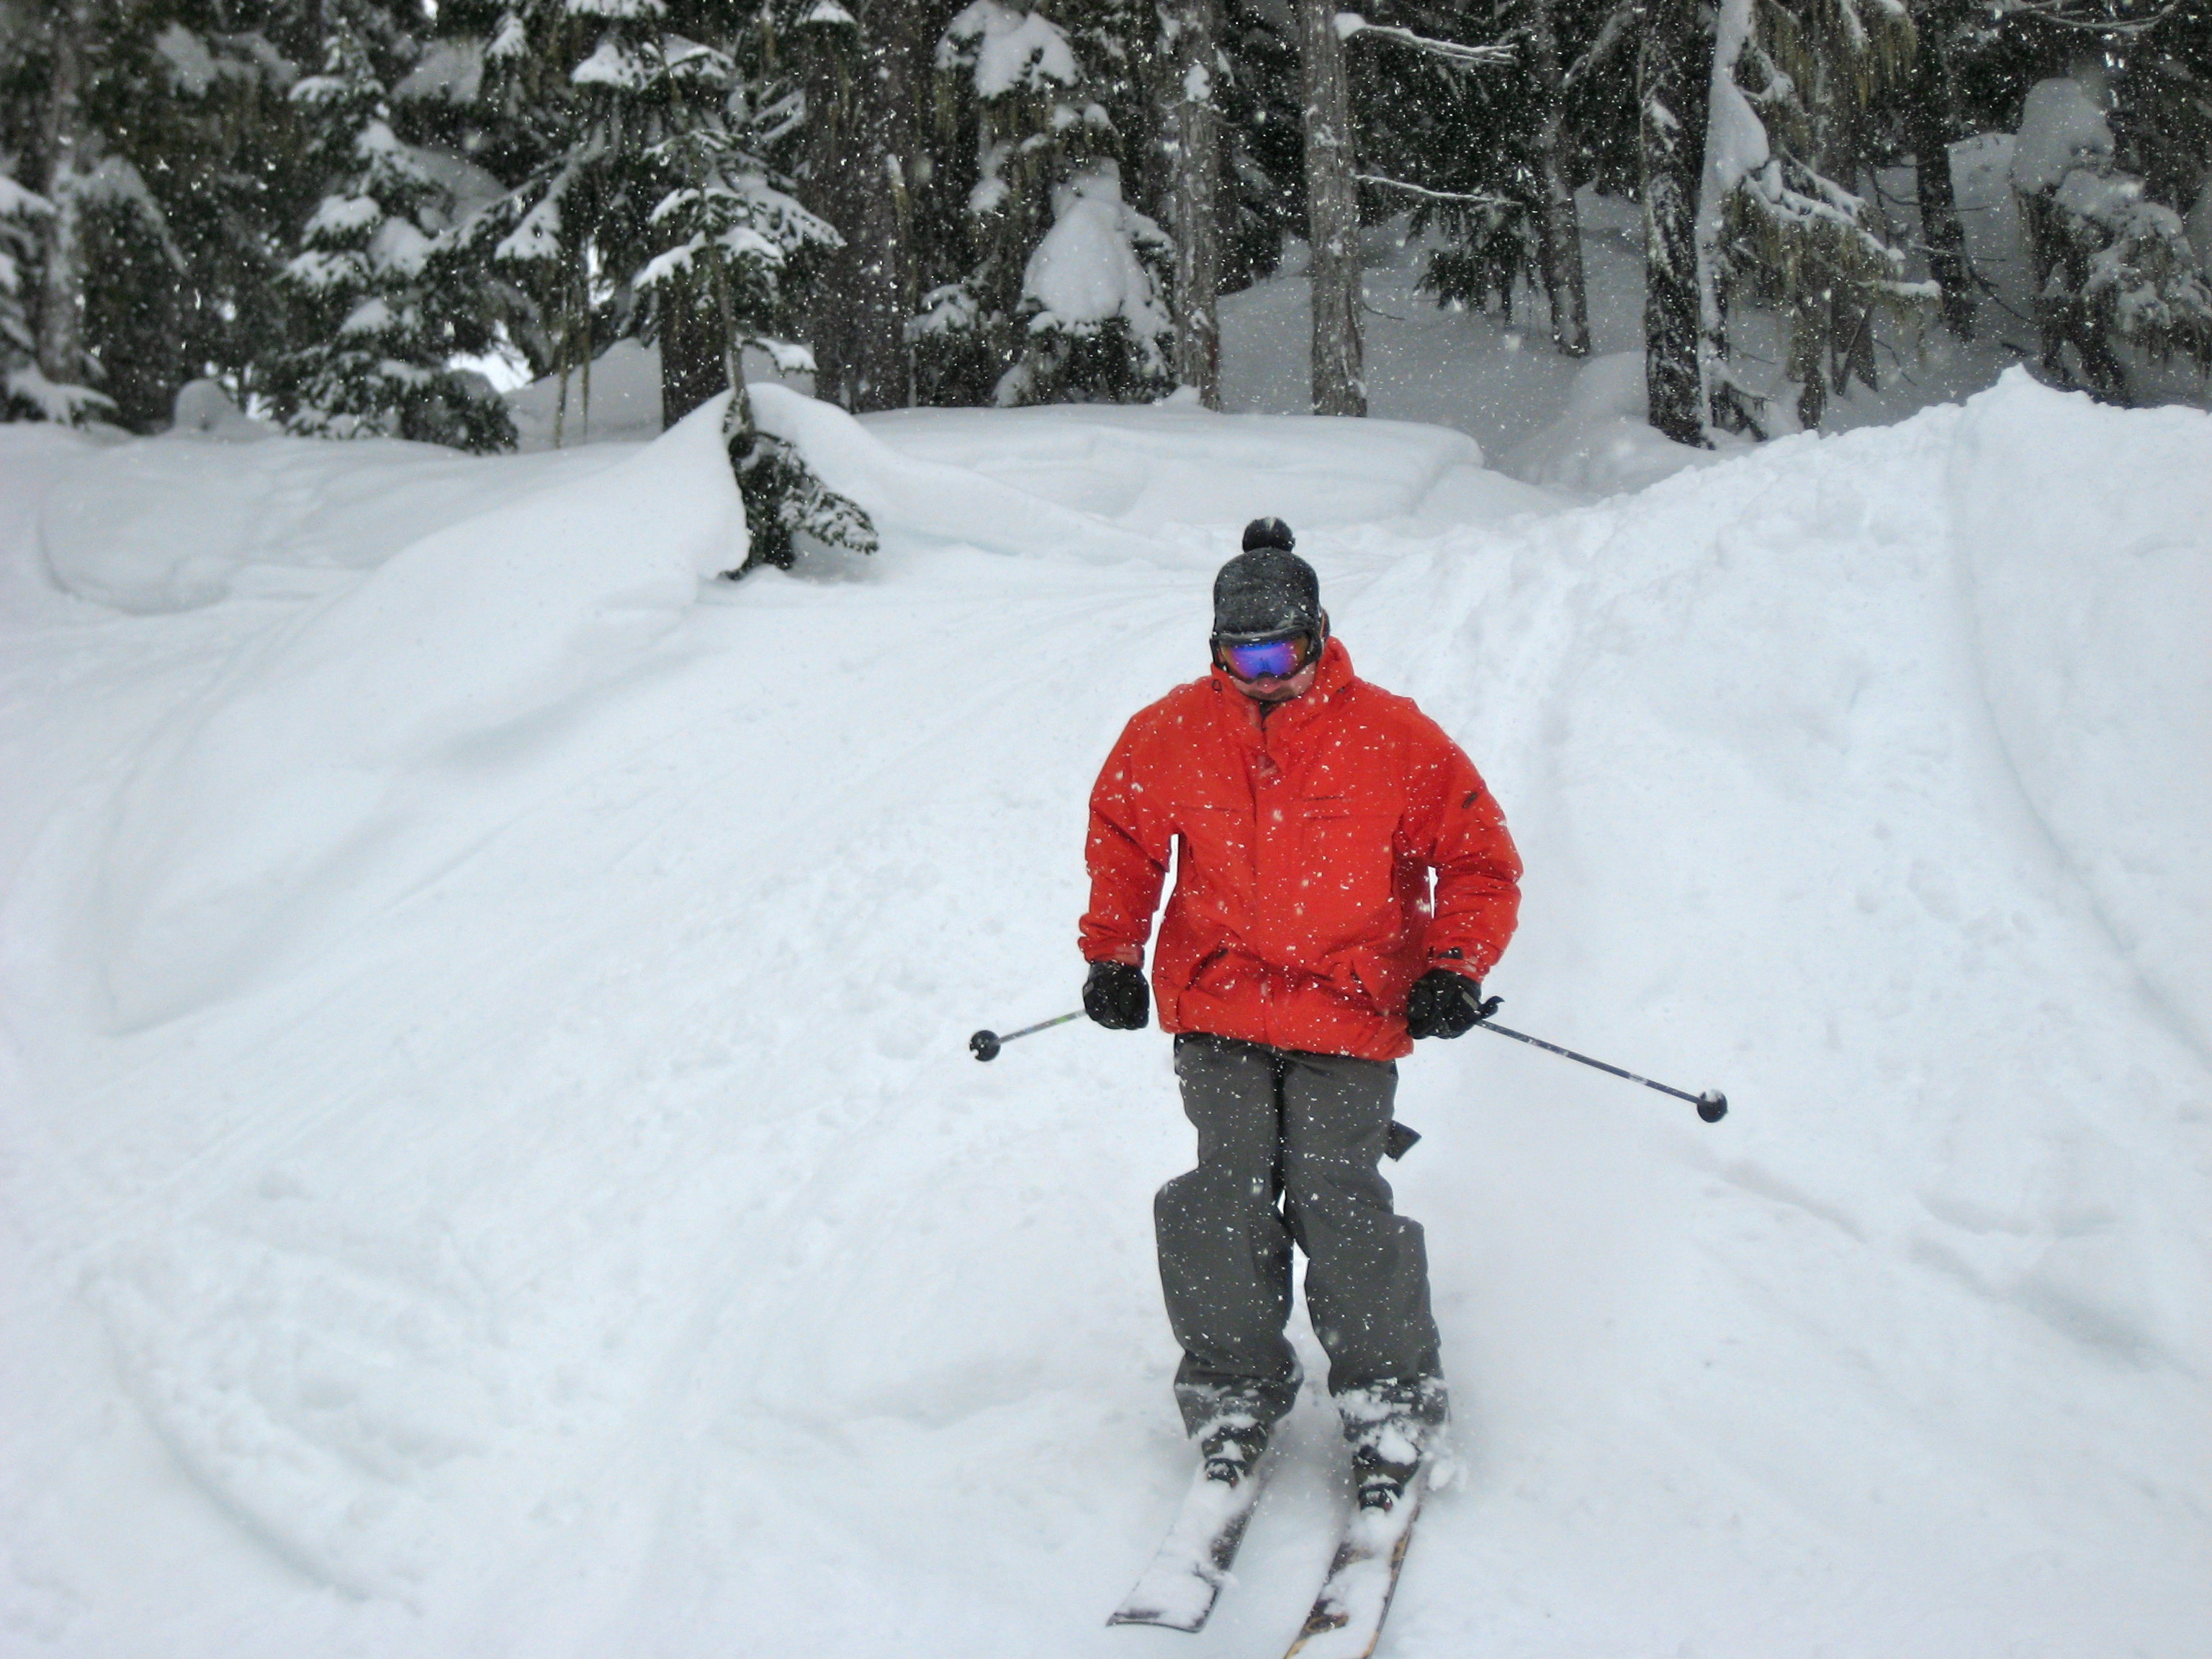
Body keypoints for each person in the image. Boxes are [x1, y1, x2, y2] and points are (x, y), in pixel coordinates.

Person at [1079, 516, 1521, 1512]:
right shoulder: (1171, 733)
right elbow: (1124, 842)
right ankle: (1233, 1392)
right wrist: (1112, 955)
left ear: (1318, 634)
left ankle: (1391, 1399)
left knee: (1336, 1191)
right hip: (1221, 1004)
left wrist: (1453, 966)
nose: (1264, 677)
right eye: (1242, 659)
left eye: (1280, 655)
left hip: (1348, 1008)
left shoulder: (1395, 738)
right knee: (1225, 1192)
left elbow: (1481, 861)